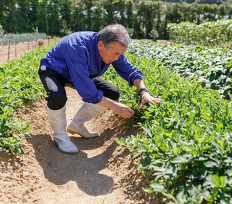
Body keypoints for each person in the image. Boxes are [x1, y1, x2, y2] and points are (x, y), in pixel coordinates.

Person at [38, 24, 161, 154]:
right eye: (116, 54)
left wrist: (143, 91)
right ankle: (60, 136)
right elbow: (87, 91)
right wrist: (116, 107)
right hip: (53, 70)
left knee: (112, 93)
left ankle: (77, 125)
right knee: (57, 96)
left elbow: (130, 71)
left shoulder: (112, 47)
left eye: (120, 54)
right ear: (101, 45)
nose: (117, 58)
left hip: (78, 73)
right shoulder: (78, 47)